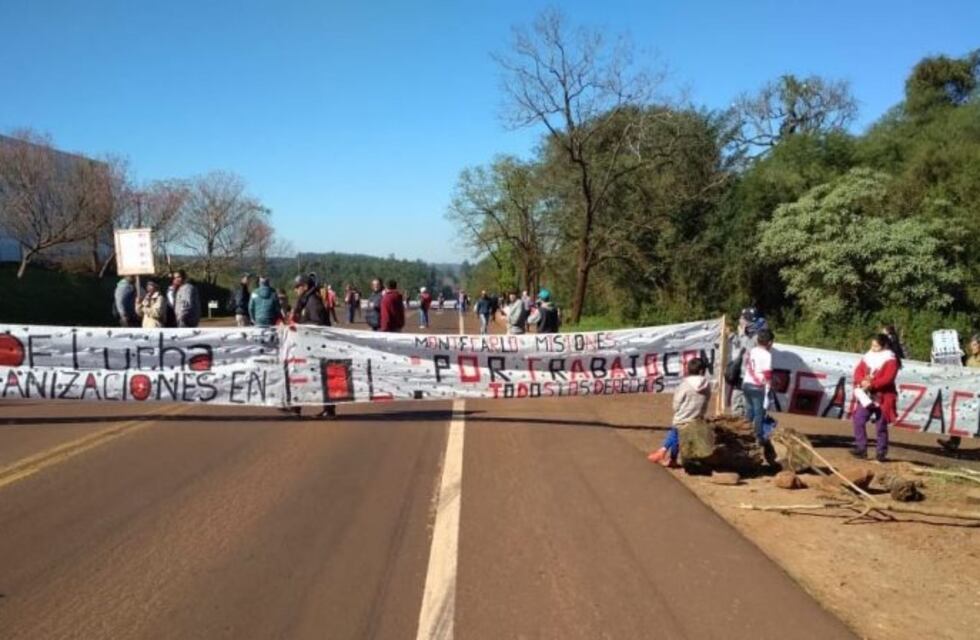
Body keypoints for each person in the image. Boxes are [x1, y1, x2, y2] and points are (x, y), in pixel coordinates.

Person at [648, 358, 712, 466]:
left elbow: (676, 404)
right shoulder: (707, 385)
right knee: (677, 432)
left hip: (683, 417)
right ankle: (672, 459)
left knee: (676, 430)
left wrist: (678, 410)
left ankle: (663, 451)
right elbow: (707, 400)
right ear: (702, 371)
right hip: (697, 417)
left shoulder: (684, 385)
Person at [288, 274, 335, 418]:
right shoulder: (306, 300)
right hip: (308, 344)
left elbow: (318, 323)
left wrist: (299, 324)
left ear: (305, 286)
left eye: (297, 287)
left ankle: (327, 409)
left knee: (315, 376)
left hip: (316, 346)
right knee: (304, 375)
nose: (295, 290)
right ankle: (296, 407)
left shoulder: (313, 301)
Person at [851, 333, 900, 462]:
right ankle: (861, 448)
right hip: (868, 396)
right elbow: (858, 371)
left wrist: (872, 384)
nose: (873, 348)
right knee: (858, 419)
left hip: (883, 397)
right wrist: (862, 381)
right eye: (872, 345)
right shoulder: (868, 357)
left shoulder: (891, 360)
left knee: (881, 425)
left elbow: (888, 379)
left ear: (883, 346)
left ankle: (881, 452)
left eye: (876, 346)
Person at [741, 328, 778, 465]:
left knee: (749, 412)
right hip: (758, 387)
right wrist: (769, 386)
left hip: (747, 383)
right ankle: (757, 439)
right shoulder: (767, 355)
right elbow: (767, 374)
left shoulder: (753, 350)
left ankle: (744, 434)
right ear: (769, 342)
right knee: (759, 414)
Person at [938, 334, 980, 451]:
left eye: (975, 344)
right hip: (970, 394)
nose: (972, 347)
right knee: (959, 416)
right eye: (972, 344)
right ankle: (953, 442)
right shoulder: (971, 360)